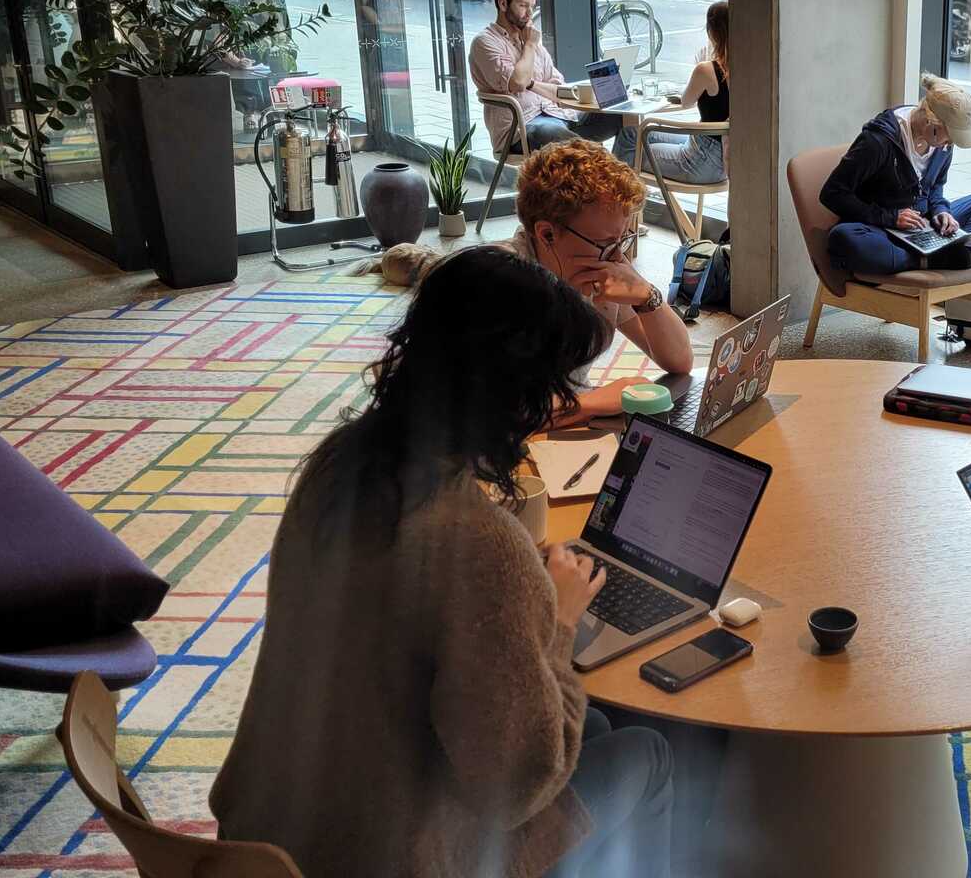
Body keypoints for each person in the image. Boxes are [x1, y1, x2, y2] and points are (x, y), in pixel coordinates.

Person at [210, 247, 674, 878]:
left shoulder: (338, 463)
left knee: (589, 725)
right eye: (555, 384)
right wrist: (558, 620)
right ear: (516, 395)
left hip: (265, 831)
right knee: (648, 752)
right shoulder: (481, 544)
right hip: (382, 858)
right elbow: (516, 789)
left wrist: (517, 599)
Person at [496, 139, 695, 407]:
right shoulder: (499, 283)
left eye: (622, 240)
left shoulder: (599, 269)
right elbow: (496, 410)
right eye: (605, 243)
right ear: (547, 234)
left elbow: (679, 362)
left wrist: (647, 297)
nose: (618, 257)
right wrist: (591, 404)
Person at [820, 72, 971, 275]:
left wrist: (941, 211)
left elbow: (935, 187)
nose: (950, 144)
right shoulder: (877, 142)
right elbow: (832, 193)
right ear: (931, 121)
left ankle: (944, 249)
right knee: (843, 237)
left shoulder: (943, 145)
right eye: (950, 137)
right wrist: (891, 218)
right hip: (883, 229)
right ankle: (929, 259)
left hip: (924, 225)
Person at [469, 0, 619, 155]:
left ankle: (622, 171)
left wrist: (588, 93)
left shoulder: (530, 39)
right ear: (503, 4)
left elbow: (557, 84)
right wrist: (530, 45)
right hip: (523, 128)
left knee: (621, 117)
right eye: (523, 6)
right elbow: (517, 82)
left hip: (558, 115)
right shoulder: (485, 42)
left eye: (532, 6)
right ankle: (600, 167)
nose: (529, 14)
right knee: (562, 138)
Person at [612, 1, 728, 185]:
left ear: (712, 32)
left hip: (699, 161)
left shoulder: (706, 69)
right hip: (724, 159)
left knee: (630, 150)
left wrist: (700, 65)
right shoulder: (748, 66)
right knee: (630, 134)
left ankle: (622, 197)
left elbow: (686, 102)